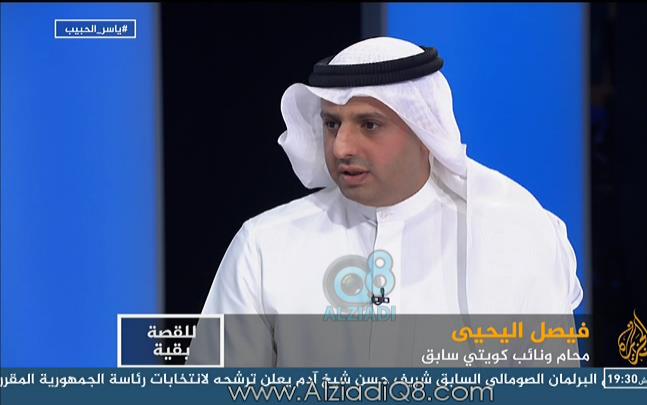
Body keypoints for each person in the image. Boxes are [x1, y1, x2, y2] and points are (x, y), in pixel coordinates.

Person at [201, 36, 583, 317]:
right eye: (332, 124)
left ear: (425, 131)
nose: (341, 147)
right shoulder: (264, 245)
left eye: (369, 125)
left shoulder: (516, 236)